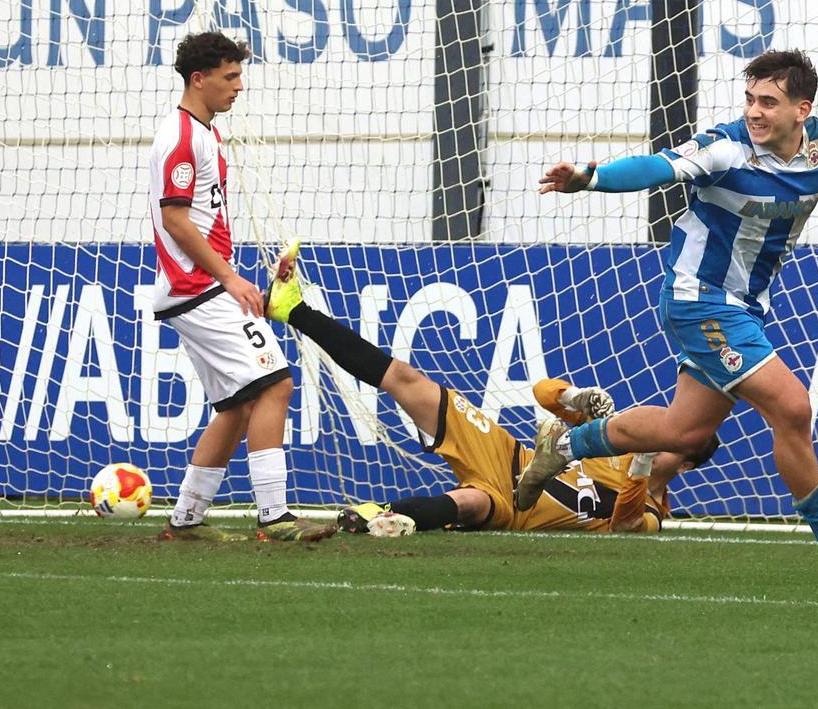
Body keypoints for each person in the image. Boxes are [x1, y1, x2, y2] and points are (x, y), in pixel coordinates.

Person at [515, 49, 818, 579]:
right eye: (749, 99)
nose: (754, 111)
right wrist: (591, 176)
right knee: (792, 407)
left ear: (801, 110)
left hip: (744, 307)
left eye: (768, 101)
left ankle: (564, 444)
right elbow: (657, 167)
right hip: (699, 299)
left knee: (683, 433)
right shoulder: (725, 149)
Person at [262, 245, 718, 536]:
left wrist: (641, 460)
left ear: (686, 459)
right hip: (507, 456)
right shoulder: (617, 437)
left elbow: (624, 526)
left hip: (514, 510)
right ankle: (294, 309)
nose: (659, 434)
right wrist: (574, 398)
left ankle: (373, 515)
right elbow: (542, 392)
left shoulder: (653, 512)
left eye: (670, 438)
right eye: (661, 426)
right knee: (406, 380)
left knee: (472, 503)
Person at [149, 31, 335, 543]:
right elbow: (176, 219)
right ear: (199, 79)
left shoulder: (205, 132)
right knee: (275, 384)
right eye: (230, 77)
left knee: (235, 405)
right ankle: (274, 518)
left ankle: (184, 520)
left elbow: (203, 220)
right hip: (199, 288)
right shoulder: (182, 138)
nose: (239, 87)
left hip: (192, 287)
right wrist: (229, 277)